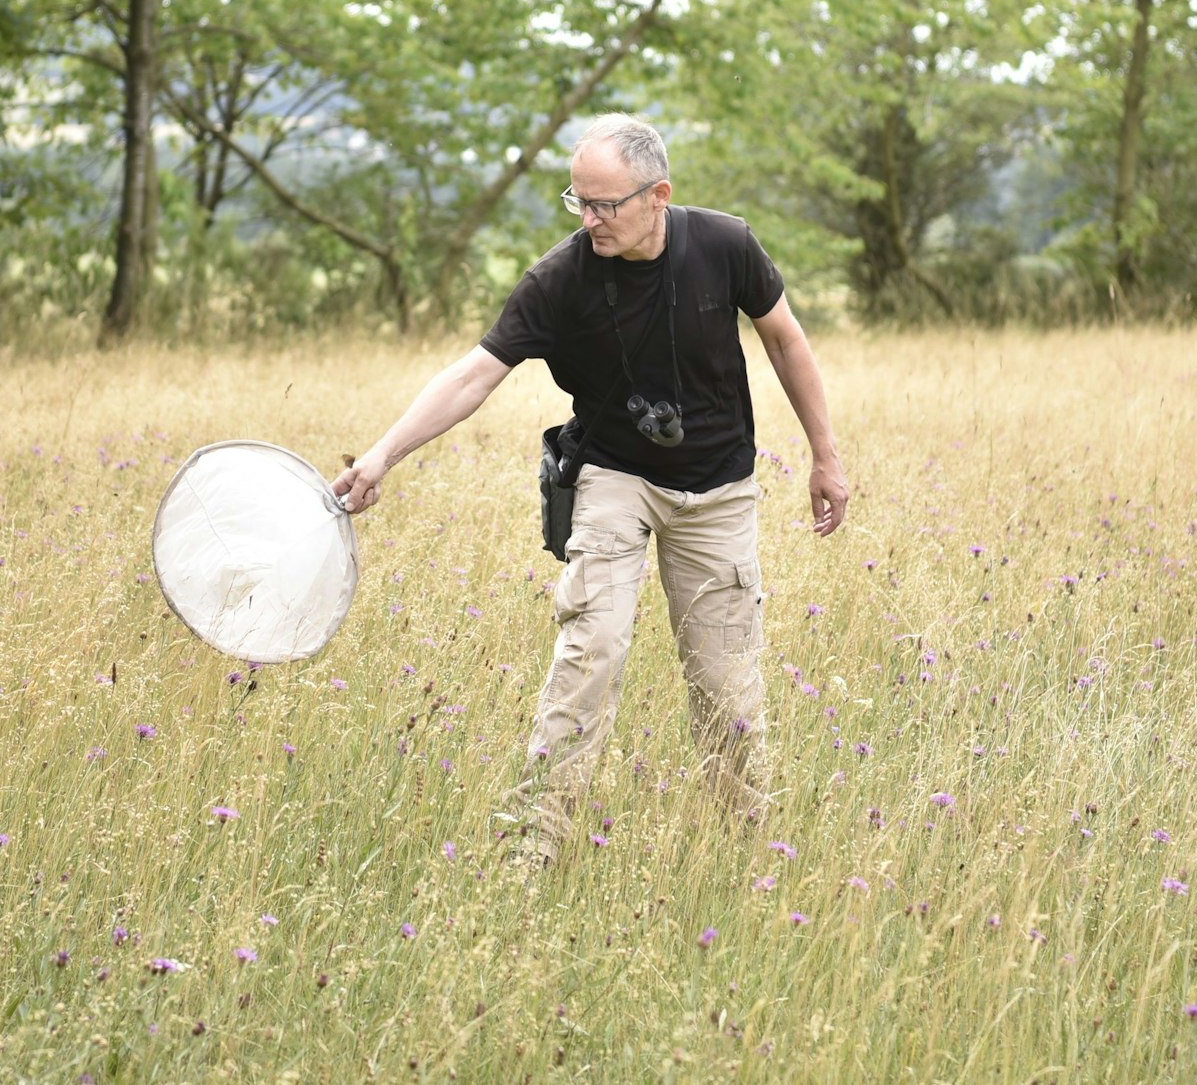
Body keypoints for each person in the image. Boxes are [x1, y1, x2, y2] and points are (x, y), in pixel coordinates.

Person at [331, 113, 848, 864]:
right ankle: (533, 847)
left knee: (725, 682)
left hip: (719, 488)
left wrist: (825, 456)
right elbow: (474, 374)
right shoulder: (561, 278)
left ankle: (748, 850)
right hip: (613, 475)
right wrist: (381, 456)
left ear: (658, 195)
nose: (591, 218)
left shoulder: (725, 245)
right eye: (579, 202)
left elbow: (784, 338)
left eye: (605, 203)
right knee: (591, 649)